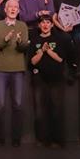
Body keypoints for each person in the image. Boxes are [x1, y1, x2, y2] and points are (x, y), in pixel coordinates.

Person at [29, 14, 73, 148]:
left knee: (56, 110)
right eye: (43, 23)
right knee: (40, 112)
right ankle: (42, 139)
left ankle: (57, 140)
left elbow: (60, 59)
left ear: (52, 25)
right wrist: (41, 51)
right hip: (39, 79)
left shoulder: (58, 39)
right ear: (39, 25)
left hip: (56, 79)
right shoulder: (35, 40)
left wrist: (48, 51)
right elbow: (32, 62)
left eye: (48, 22)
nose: (45, 25)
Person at [0, 0, 30, 147]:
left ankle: (16, 138)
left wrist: (19, 42)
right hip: (1, 69)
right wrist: (6, 39)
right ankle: (0, 138)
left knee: (18, 105)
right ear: (5, 10)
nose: (13, 9)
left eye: (15, 7)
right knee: (0, 105)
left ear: (18, 11)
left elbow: (24, 47)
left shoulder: (22, 25)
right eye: (10, 7)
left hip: (17, 69)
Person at [52, 0, 80, 78]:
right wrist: (63, 28)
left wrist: (79, 16)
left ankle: (76, 66)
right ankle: (71, 66)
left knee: (79, 37)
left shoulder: (77, 1)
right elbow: (54, 19)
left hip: (75, 27)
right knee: (66, 38)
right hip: (62, 28)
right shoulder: (55, 1)